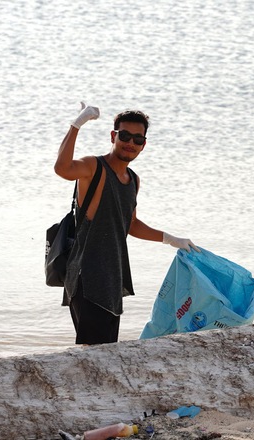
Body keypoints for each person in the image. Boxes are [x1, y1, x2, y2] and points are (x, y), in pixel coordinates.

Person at [54, 103, 200, 345]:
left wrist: (172, 239)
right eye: (124, 136)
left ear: (144, 144)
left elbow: (130, 224)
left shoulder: (133, 180)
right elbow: (62, 168)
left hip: (113, 276)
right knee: (93, 353)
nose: (130, 143)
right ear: (113, 136)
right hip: (86, 275)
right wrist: (77, 124)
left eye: (137, 139)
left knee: (107, 350)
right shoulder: (94, 167)